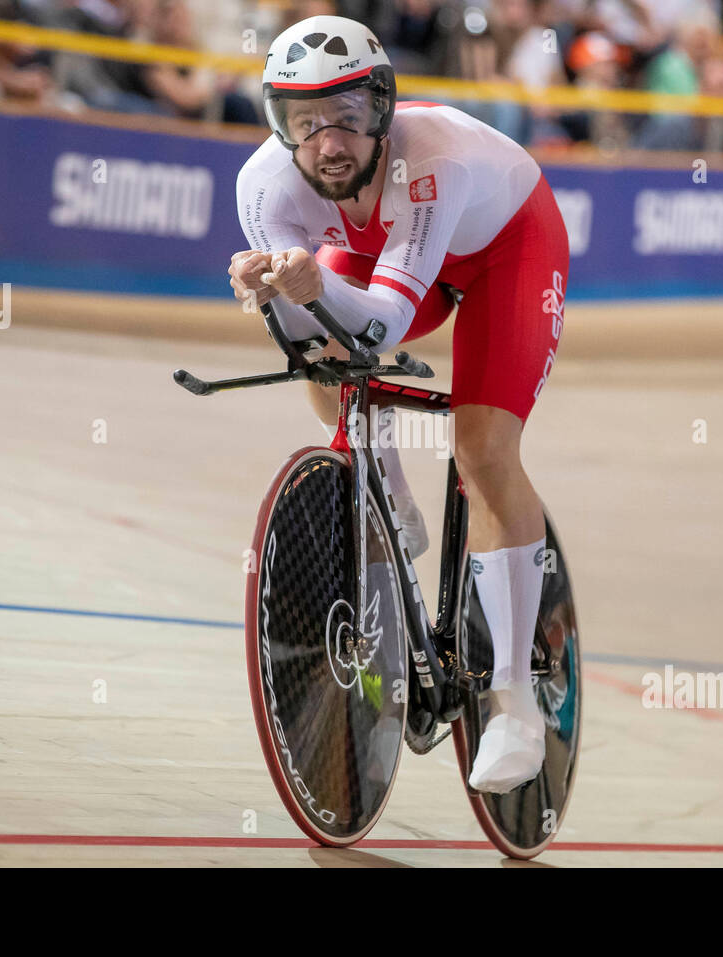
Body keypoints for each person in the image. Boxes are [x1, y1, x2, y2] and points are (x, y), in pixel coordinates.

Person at [227, 15, 570, 794]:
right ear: (279, 126)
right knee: (316, 336)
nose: (328, 143)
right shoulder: (262, 187)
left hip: (506, 250)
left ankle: (514, 698)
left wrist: (314, 286)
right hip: (387, 251)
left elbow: (379, 321)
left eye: (347, 118)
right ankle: (392, 510)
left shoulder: (432, 163)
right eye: (304, 124)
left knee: (483, 451)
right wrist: (276, 294)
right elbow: (314, 330)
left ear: (381, 111)